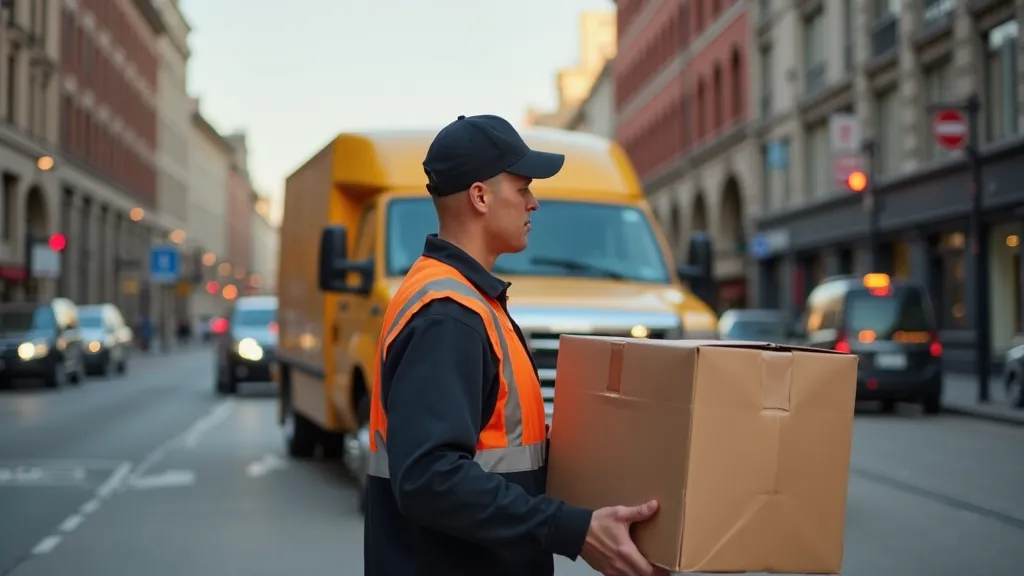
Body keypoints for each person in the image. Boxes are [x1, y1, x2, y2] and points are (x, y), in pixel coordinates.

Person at [363, 114, 667, 576]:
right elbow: (429, 478)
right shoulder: (449, 315)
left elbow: (503, 452)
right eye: (523, 188)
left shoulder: (469, 300)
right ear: (480, 196)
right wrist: (572, 529)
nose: (533, 203)